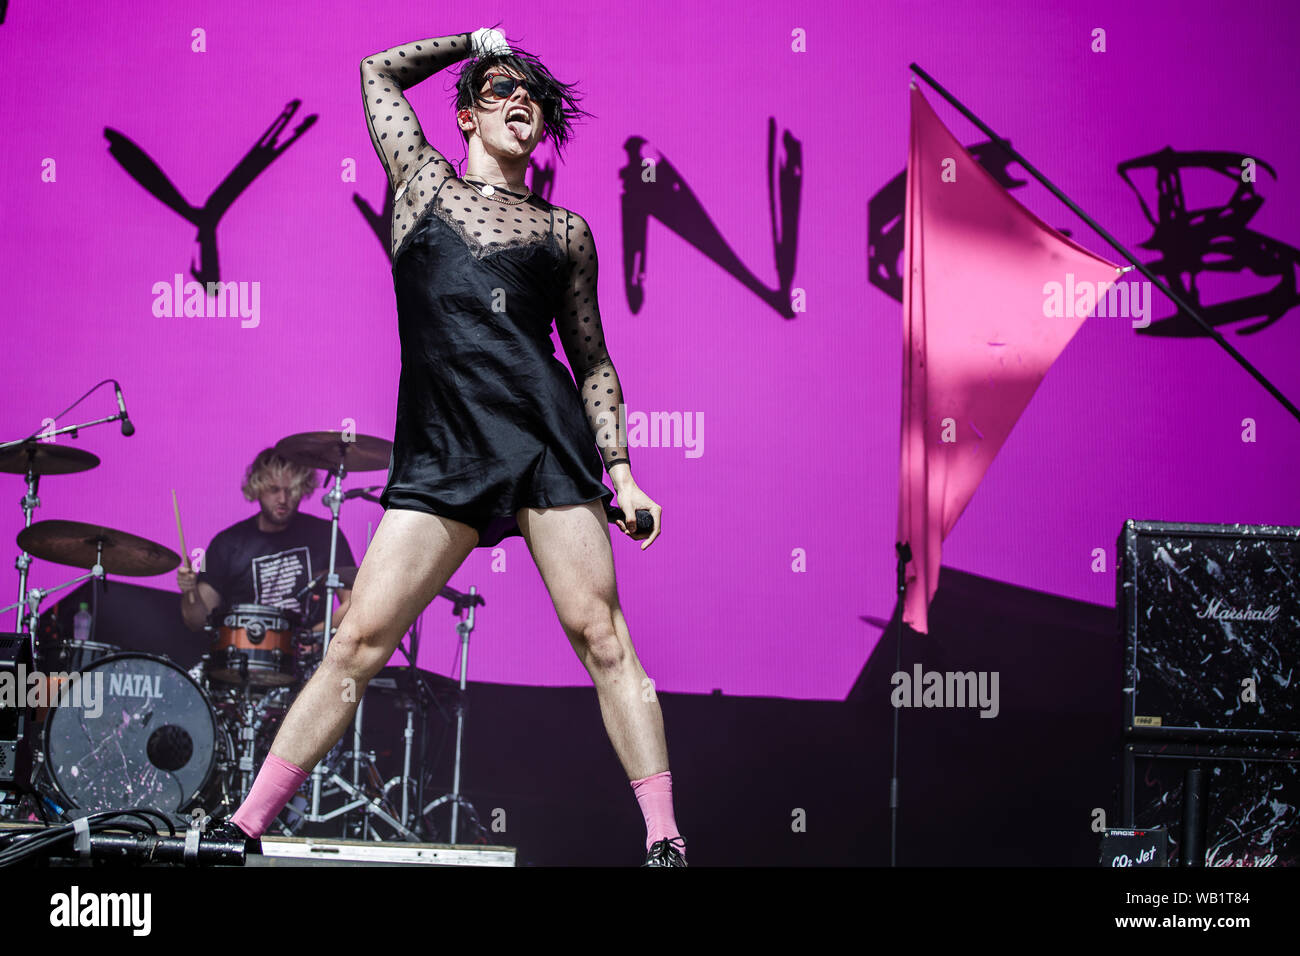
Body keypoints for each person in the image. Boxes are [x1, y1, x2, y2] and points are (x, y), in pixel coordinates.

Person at [218, 27, 685, 867]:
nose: (522, 104)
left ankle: (664, 842)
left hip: (544, 445)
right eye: (502, 91)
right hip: (441, 450)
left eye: (534, 98)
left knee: (604, 639)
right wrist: (473, 41)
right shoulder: (421, 183)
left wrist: (623, 473)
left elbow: (592, 360)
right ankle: (243, 827)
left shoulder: (566, 231)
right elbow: (374, 70)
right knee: (358, 641)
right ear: (467, 114)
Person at [178, 448, 354, 636]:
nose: (283, 499)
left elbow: (353, 604)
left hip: (309, 657)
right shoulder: (225, 543)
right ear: (257, 488)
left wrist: (315, 637)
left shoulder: (326, 534)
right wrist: (189, 592)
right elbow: (198, 623)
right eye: (274, 490)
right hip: (242, 656)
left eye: (291, 490)